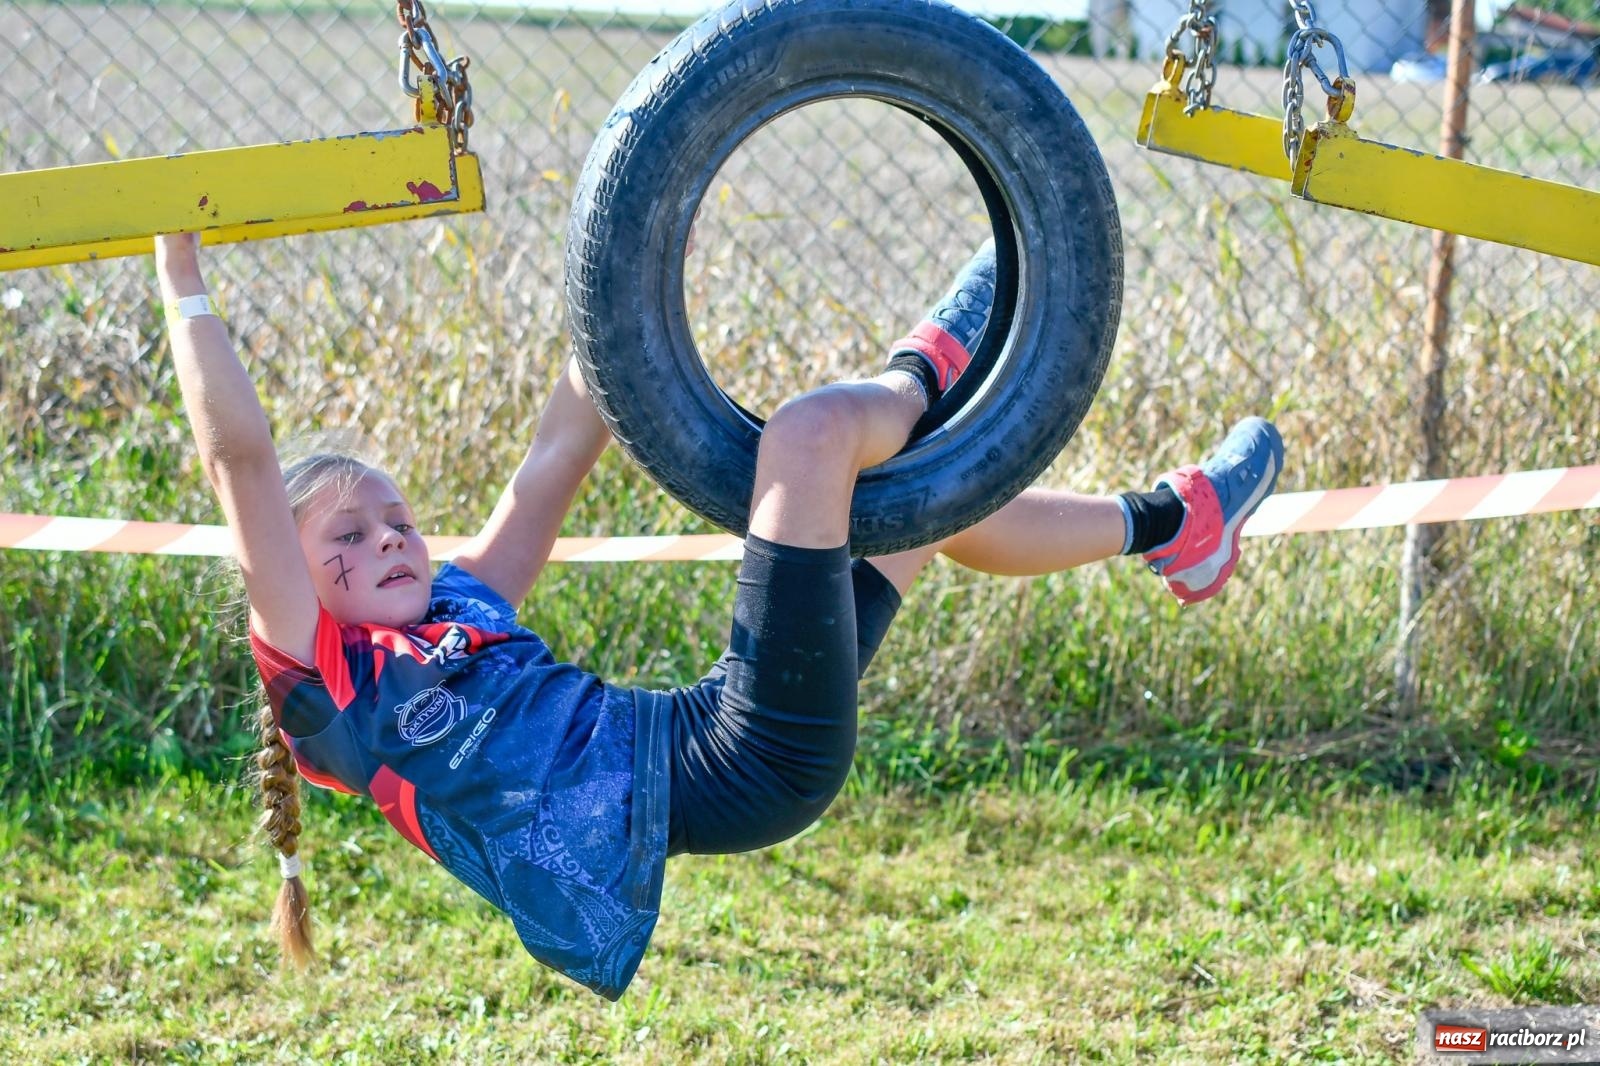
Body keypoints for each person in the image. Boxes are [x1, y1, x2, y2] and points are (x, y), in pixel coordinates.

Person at [154, 232, 1283, 1000]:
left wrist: (638, 227)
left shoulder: (462, 603)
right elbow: (241, 460)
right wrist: (180, 270)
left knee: (913, 504)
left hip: (727, 747)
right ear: (290, 588)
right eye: (345, 537)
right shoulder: (332, 691)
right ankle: (940, 350)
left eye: (395, 517)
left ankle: (1172, 527)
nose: (389, 538)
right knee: (809, 439)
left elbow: (551, 461)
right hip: (730, 759)